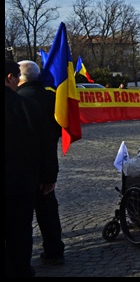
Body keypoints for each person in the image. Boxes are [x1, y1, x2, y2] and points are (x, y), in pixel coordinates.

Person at [5, 58, 55, 277]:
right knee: (20, 232)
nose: (18, 82)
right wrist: (49, 176)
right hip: (21, 183)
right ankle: (21, 270)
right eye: (17, 77)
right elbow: (46, 145)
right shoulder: (28, 107)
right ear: (10, 78)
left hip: (20, 181)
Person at [17, 60, 65, 266]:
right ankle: (54, 251)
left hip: (22, 167)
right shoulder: (54, 98)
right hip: (47, 161)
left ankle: (20, 258)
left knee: (20, 216)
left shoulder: (17, 100)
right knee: (48, 212)